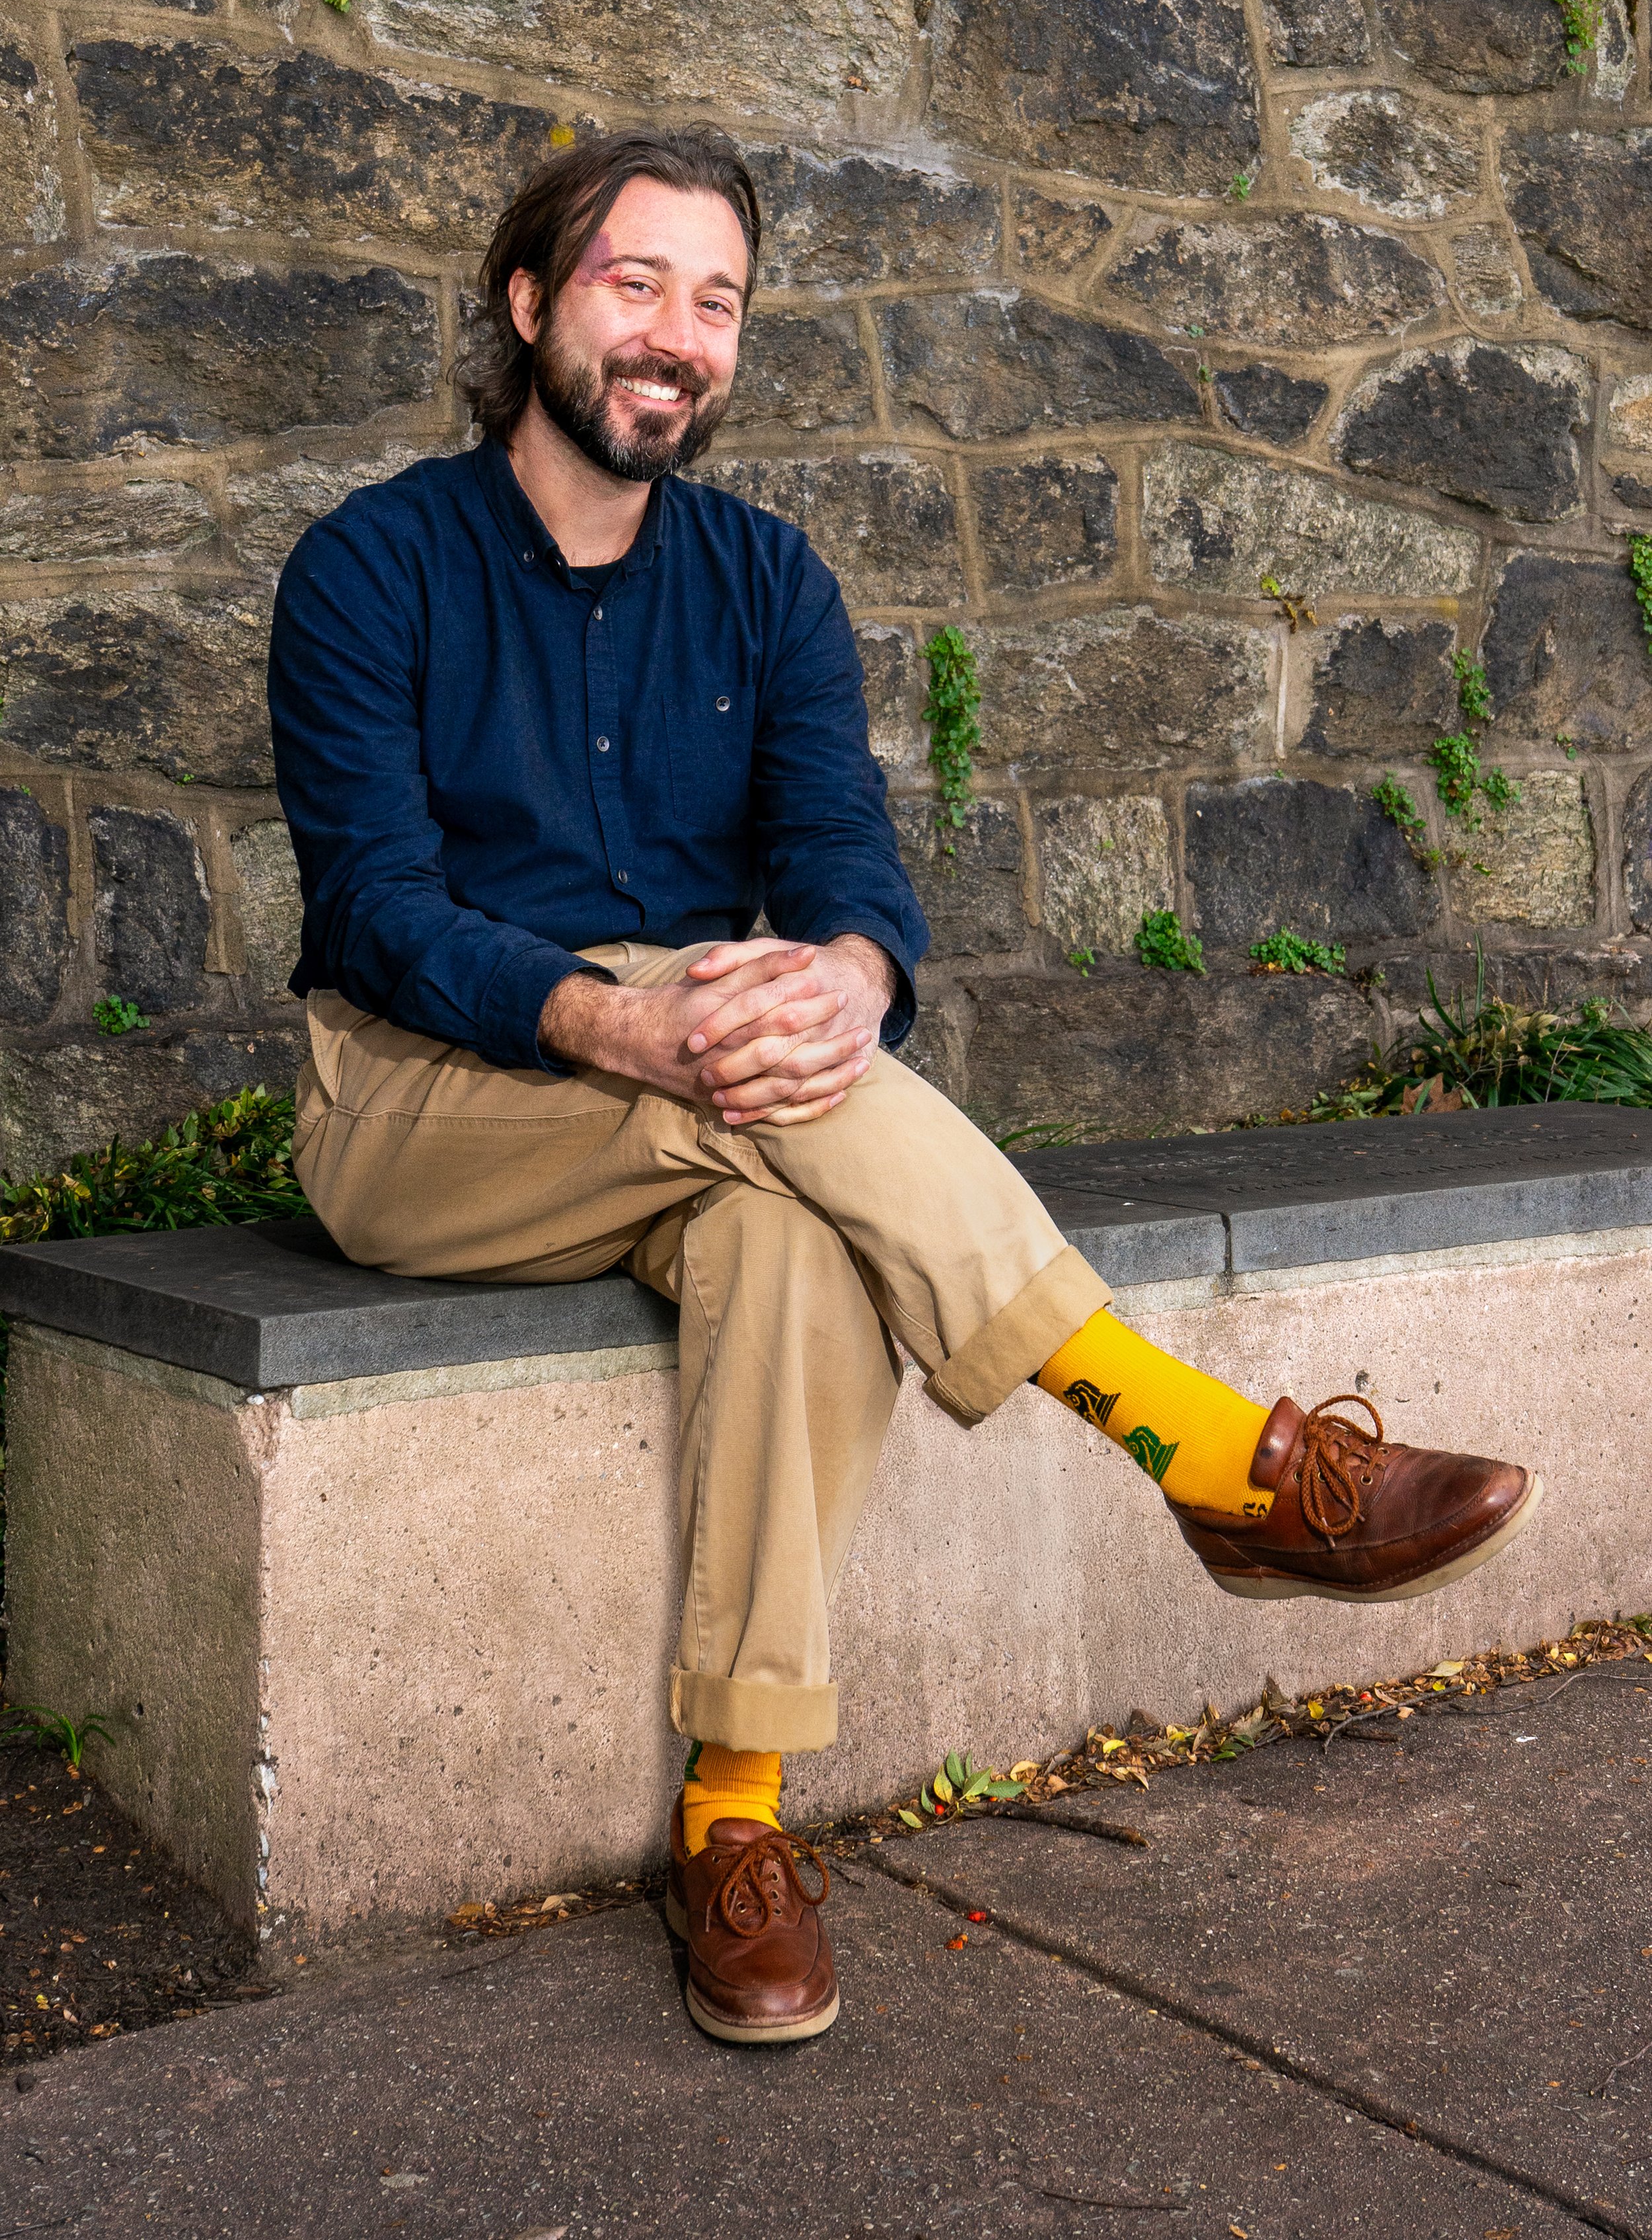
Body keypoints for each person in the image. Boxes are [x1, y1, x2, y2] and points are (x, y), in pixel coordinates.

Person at [268, 126, 1544, 2049]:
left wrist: (851, 980)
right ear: (530, 305)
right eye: (637, 287)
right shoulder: (372, 568)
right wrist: (625, 1019)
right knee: (719, 1039)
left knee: (787, 1242)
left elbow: (841, 856)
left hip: (728, 1089)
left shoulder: (769, 584)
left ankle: (732, 1817)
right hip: (425, 1105)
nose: (676, 339)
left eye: (717, 304)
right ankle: (1204, 1451)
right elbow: (376, 912)